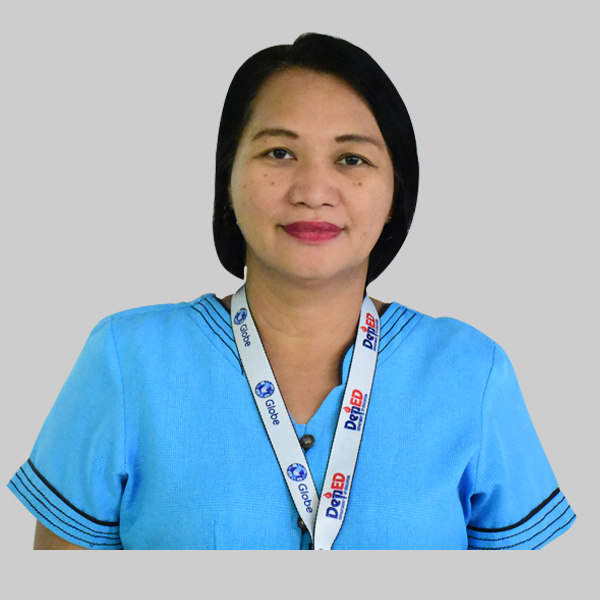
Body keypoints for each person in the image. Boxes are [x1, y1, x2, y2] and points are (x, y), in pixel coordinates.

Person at [7, 33, 575, 550]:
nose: (313, 190)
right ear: (228, 177)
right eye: (279, 152)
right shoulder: (126, 359)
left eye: (351, 159)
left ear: (395, 194)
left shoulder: (472, 373)